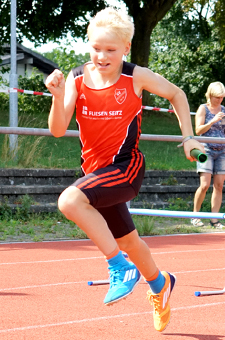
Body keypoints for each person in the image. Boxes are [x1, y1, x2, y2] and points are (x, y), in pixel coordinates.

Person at [45, 7, 204, 332]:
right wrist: (58, 97)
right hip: (96, 175)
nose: (102, 56)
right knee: (130, 241)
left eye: (111, 50)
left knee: (69, 201)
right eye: (96, 48)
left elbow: (177, 93)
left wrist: (188, 137)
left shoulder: (135, 76)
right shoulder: (77, 78)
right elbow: (58, 130)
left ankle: (120, 268)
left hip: (126, 168)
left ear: (126, 49)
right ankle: (160, 285)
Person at [191, 81, 225, 229]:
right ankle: (195, 216)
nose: (219, 100)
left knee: (219, 185)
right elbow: (198, 131)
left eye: (222, 97)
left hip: (222, 150)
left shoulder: (223, 109)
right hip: (206, 150)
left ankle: (214, 219)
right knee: (204, 185)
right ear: (210, 95)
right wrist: (213, 120)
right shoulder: (203, 108)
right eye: (217, 97)